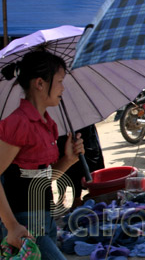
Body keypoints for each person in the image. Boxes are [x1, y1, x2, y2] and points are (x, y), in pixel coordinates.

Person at [0, 50, 84, 260]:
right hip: (23, 223)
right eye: (59, 81)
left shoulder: (49, 125)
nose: (62, 88)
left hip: (44, 219)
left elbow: (41, 181)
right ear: (39, 83)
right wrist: (11, 226)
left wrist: (68, 160)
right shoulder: (18, 123)